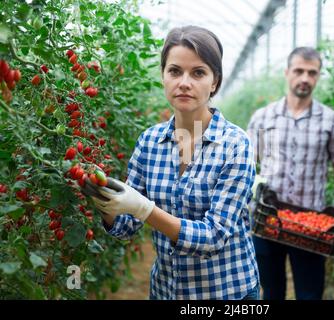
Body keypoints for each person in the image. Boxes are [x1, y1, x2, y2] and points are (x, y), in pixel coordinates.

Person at [82, 26, 259, 300]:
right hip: (167, 290)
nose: (184, 82)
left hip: (227, 293)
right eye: (175, 71)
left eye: (198, 72)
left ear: (214, 82)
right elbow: (125, 226)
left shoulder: (235, 144)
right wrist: (105, 200)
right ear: (164, 76)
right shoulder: (150, 142)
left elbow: (214, 236)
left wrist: (143, 208)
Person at [247, 47, 334, 300]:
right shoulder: (263, 117)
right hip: (266, 218)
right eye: (299, 71)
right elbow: (248, 161)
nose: (305, 78)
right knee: (271, 292)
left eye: (311, 73)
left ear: (317, 77)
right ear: (287, 73)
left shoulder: (330, 120)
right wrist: (253, 179)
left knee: (309, 293)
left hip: (310, 224)